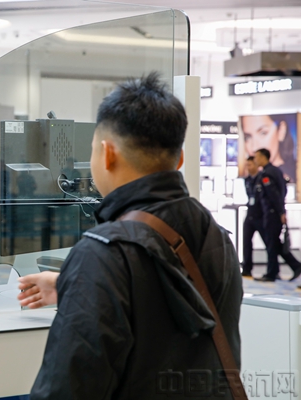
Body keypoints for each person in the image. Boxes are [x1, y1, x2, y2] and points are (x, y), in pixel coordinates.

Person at [17, 73, 243, 399]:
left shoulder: (103, 253)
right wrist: (75, 284)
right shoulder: (218, 238)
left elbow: (65, 389)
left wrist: (90, 279)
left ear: (107, 154)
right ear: (179, 159)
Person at [253, 148, 301, 282]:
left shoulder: (268, 173)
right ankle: (291, 267)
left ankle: (273, 273)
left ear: (263, 157)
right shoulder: (275, 171)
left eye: (257, 157)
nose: (255, 160)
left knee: (271, 243)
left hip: (272, 214)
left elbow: (274, 194)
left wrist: (280, 212)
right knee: (274, 244)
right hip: (274, 212)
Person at [241, 114, 297, 182]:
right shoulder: (253, 176)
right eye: (247, 137)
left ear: (281, 130)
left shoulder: (280, 173)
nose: (254, 148)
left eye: (263, 133)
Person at [241, 156, 264, 277]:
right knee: (246, 242)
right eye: (247, 165)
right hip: (250, 214)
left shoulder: (262, 178)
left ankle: (292, 265)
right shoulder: (247, 180)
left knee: (270, 242)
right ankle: (247, 268)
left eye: (250, 165)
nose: (248, 168)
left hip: (261, 215)